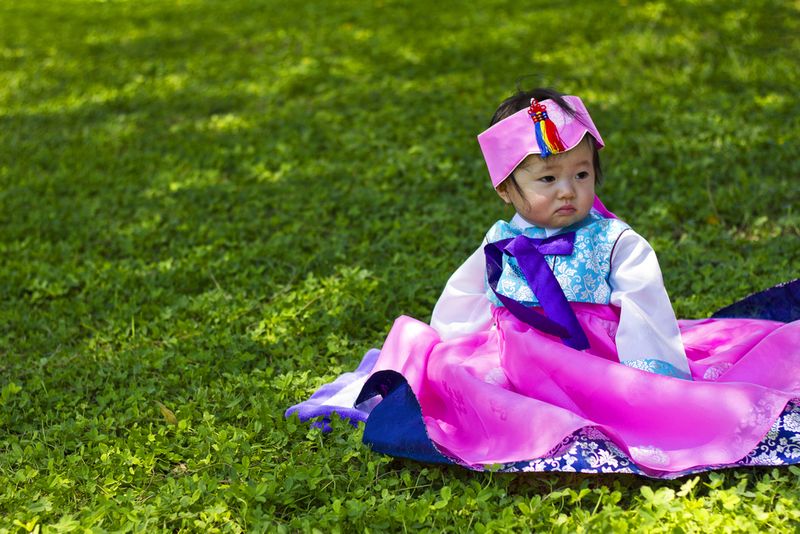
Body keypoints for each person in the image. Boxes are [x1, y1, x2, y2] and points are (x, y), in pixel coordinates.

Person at [287, 88, 800, 478]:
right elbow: (465, 293)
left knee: (630, 405)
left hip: (594, 356)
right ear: (507, 190)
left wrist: (651, 373)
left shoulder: (614, 240)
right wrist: (450, 341)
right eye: (548, 179)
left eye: (581, 175)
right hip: (516, 355)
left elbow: (645, 305)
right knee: (461, 382)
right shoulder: (503, 239)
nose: (568, 192)